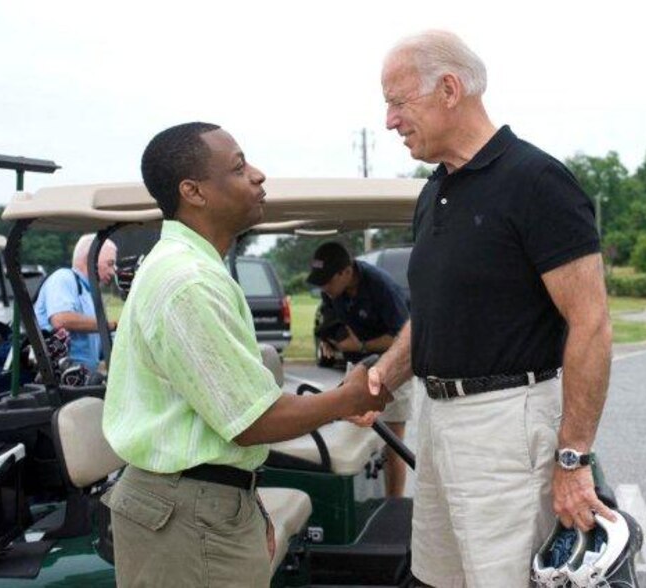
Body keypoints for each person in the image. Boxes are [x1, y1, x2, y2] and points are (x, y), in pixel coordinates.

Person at [353, 30, 615, 586]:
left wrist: (573, 460)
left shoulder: (537, 181)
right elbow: (431, 314)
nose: (390, 121)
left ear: (449, 89)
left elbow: (589, 322)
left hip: (507, 426)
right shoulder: (434, 192)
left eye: (398, 103)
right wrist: (378, 381)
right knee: (436, 576)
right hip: (438, 419)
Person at [101, 122, 389, 588]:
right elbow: (253, 420)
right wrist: (348, 398)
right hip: (188, 515)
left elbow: (223, 430)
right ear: (193, 191)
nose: (257, 175)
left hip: (199, 503)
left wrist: (245, 501)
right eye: (238, 167)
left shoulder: (192, 269)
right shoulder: (187, 282)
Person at [307, 241, 412, 498]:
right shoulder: (331, 291)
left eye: (327, 281)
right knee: (354, 433)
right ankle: (358, 501)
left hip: (392, 366)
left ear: (346, 272)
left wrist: (362, 344)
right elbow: (331, 319)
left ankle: (393, 503)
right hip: (357, 367)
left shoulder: (381, 288)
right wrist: (328, 340)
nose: (324, 288)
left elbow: (404, 337)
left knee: (392, 444)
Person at [33, 233, 117, 370]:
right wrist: (112, 325)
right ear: (91, 258)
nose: (113, 272)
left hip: (82, 379)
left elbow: (104, 349)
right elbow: (61, 320)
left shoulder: (90, 294)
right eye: (110, 264)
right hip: (59, 379)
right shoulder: (63, 278)